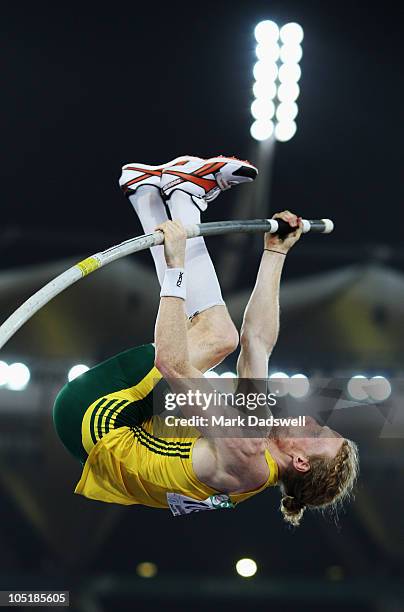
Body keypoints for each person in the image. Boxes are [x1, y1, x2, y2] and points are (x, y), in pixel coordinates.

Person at [53, 154, 358, 526]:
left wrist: (176, 268)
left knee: (216, 336)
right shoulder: (256, 443)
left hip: (92, 417)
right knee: (224, 338)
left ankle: (183, 197)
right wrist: (275, 252)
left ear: (300, 461)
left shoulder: (244, 452)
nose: (311, 418)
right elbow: (257, 342)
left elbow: (171, 362)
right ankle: (147, 192)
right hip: (113, 428)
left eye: (316, 431)